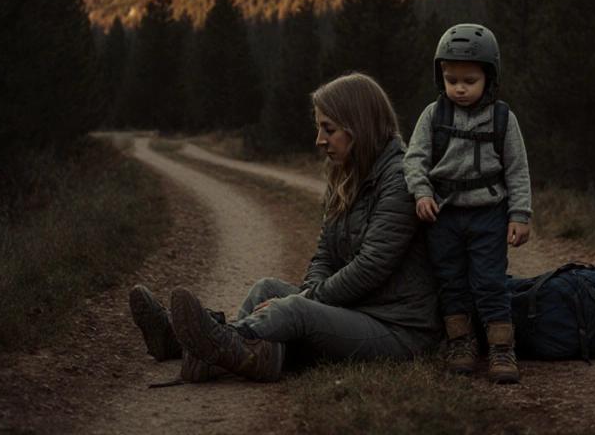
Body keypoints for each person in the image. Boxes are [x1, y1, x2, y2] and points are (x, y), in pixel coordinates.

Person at [128, 72, 441, 382]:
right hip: (360, 310)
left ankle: (213, 344)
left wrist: (306, 300)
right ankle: (194, 347)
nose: (319, 140)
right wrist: (308, 293)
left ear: (357, 127)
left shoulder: (400, 179)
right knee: (267, 289)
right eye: (319, 128)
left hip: (398, 329)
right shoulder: (344, 176)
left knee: (293, 310)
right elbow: (324, 257)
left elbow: (371, 267)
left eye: (328, 129)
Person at [402, 23, 532, 384]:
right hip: (443, 216)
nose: (459, 88)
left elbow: (518, 170)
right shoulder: (433, 116)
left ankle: (501, 347)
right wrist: (422, 192)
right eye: (451, 79)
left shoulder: (504, 119)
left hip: (489, 215)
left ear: (489, 77)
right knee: (451, 281)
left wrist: (519, 214)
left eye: (469, 80)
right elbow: (414, 160)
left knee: (489, 282)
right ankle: (460, 342)